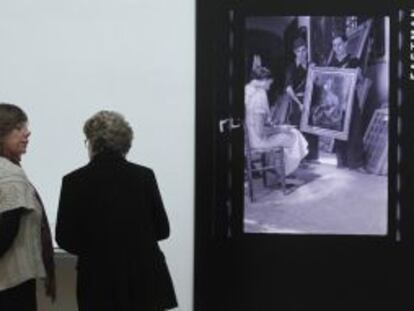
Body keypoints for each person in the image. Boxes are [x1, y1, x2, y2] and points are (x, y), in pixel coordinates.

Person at [55, 111, 178, 311]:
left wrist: (95, 250)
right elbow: (162, 230)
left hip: (97, 281)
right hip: (145, 280)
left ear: (93, 144)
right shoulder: (144, 176)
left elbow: (65, 238)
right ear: (126, 144)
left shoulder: (73, 181)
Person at [0, 103, 55, 310]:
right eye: (18, 128)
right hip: (10, 283)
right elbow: (6, 231)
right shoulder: (9, 173)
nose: (27, 132)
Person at [245, 66, 308, 176]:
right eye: (269, 83)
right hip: (258, 141)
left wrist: (272, 126)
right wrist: (281, 129)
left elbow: (256, 123)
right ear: (263, 81)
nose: (269, 86)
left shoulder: (247, 89)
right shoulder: (259, 96)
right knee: (294, 135)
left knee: (290, 134)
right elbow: (260, 131)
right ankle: (282, 171)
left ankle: (278, 168)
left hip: (249, 139)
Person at [328, 31, 365, 170]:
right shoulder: (331, 64)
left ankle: (355, 163)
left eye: (339, 44)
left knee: (355, 129)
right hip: (337, 101)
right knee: (339, 130)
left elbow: (361, 81)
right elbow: (328, 84)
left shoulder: (354, 60)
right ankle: (341, 161)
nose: (337, 48)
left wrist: (359, 75)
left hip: (351, 99)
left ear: (345, 44)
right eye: (334, 45)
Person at [282, 36, 320, 162]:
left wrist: (315, 73)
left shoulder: (312, 65)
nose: (301, 54)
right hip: (298, 102)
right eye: (298, 51)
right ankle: (301, 159)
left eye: (303, 50)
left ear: (307, 50)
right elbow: (288, 88)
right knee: (299, 128)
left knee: (313, 127)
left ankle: (313, 157)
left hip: (312, 102)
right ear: (295, 52)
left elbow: (319, 83)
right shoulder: (291, 68)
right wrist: (299, 104)